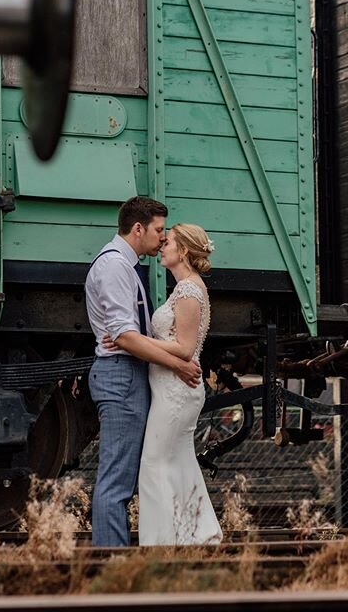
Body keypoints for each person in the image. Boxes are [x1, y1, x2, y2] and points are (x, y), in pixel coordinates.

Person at [85, 197, 202, 548]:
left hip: (126, 373)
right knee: (117, 480)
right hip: (120, 375)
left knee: (125, 477)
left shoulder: (124, 265)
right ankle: (112, 564)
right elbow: (124, 337)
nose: (161, 238)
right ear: (138, 229)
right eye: (158, 230)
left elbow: (129, 336)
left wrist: (133, 340)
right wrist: (178, 362)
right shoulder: (115, 268)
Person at [103, 223, 222, 545]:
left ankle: (162, 542)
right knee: (179, 461)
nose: (162, 246)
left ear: (183, 251)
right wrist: (131, 341)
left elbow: (184, 348)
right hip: (173, 389)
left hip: (176, 390)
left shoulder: (188, 291)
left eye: (168, 242)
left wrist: (131, 339)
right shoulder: (186, 287)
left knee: (154, 463)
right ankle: (197, 535)